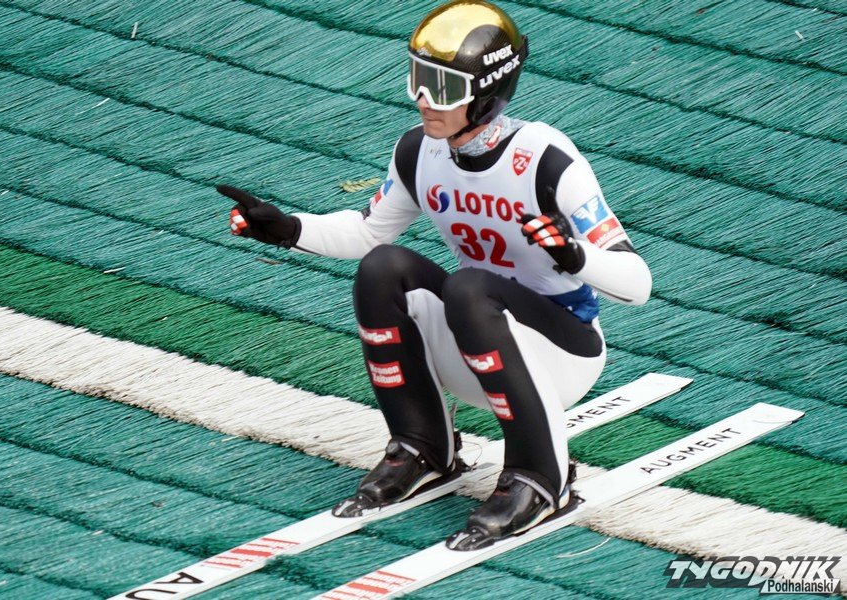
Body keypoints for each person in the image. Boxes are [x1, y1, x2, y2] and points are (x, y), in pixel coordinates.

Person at [219, 0, 652, 551]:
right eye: (419, 79)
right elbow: (367, 234)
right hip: (480, 336)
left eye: (442, 87)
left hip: (562, 353)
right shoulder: (419, 152)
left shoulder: (545, 158)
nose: (424, 99)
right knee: (383, 269)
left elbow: (637, 283)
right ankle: (423, 446)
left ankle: (543, 476)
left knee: (469, 286)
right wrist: (288, 228)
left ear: (488, 90)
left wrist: (576, 256)